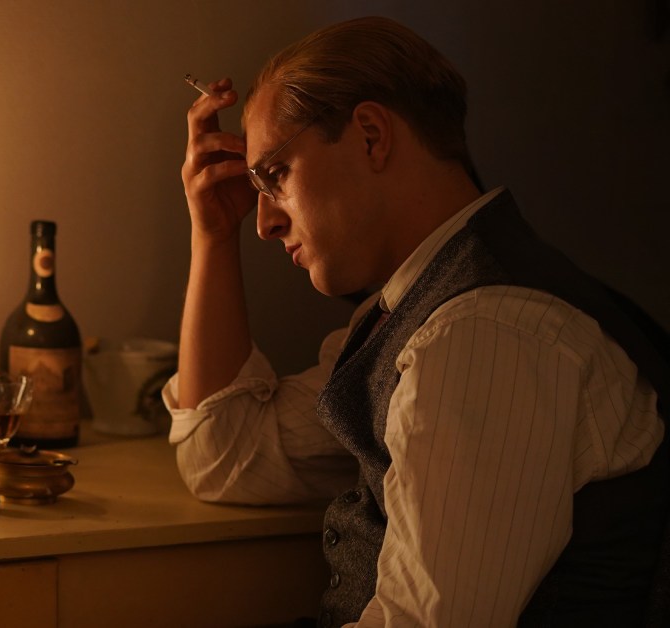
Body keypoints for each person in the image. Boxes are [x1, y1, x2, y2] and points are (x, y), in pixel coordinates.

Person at [169, 15, 669, 627]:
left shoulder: (481, 337)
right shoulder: (419, 315)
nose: (265, 223)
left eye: (274, 175)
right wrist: (212, 236)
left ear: (371, 135)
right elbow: (228, 459)